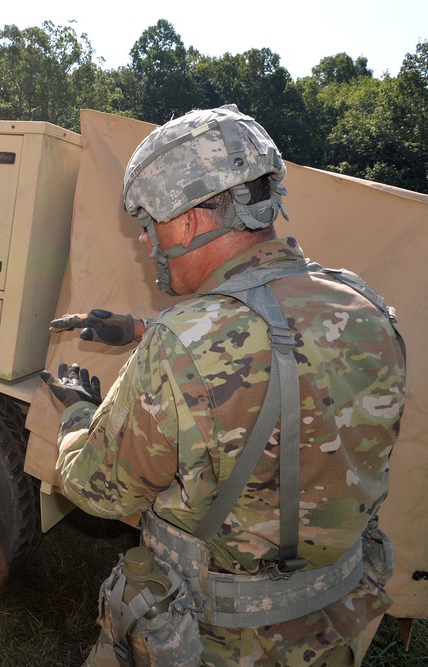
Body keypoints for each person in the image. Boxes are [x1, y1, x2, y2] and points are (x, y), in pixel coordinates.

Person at [42, 105, 406, 666]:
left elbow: (99, 488)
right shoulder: (363, 305)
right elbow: (286, 344)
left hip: (213, 641)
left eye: (149, 225)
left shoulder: (182, 345)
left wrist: (78, 414)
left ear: (188, 222)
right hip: (331, 626)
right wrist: (136, 330)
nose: (146, 243)